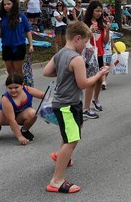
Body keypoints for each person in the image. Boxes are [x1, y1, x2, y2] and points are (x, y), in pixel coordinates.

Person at [43, 21, 111, 194]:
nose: (86, 46)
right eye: (85, 42)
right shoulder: (77, 58)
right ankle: (56, 181)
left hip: (65, 103)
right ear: (78, 38)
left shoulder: (60, 53)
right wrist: (99, 74)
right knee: (71, 140)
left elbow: (47, 72)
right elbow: (83, 84)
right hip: (67, 104)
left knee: (74, 130)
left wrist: (64, 72)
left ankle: (61, 157)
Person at [0, 74, 44, 144]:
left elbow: (43, 95)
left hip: (21, 116)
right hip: (7, 117)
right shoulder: (5, 99)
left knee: (33, 113)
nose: (13, 90)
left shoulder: (28, 89)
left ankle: (25, 130)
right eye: (10, 88)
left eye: (16, 87)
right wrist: (19, 137)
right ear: (6, 87)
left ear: (22, 85)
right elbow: (11, 120)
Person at [82, 1, 110, 118]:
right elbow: (82, 39)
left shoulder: (101, 24)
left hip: (99, 54)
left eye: (100, 11)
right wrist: (90, 31)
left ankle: (96, 100)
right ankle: (86, 108)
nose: (98, 13)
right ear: (91, 11)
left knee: (99, 79)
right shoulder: (84, 24)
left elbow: (104, 41)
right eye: (96, 11)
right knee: (91, 81)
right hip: (89, 55)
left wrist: (107, 30)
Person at [0, 0, 33, 76]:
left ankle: (20, 86)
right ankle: (12, 86)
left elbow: (28, 31)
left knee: (18, 71)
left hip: (19, 46)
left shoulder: (21, 17)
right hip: (6, 46)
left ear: (13, 4)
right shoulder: (1, 18)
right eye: (4, 4)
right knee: (10, 70)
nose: (6, 6)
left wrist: (31, 45)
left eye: (8, 4)